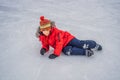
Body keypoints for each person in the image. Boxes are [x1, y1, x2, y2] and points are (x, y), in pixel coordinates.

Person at [36, 16, 102, 59]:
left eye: (48, 29)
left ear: (50, 28)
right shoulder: (43, 37)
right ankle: (85, 52)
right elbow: (45, 44)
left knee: (79, 44)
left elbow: (59, 43)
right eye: (44, 30)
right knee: (68, 51)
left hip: (68, 39)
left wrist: (56, 54)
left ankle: (94, 45)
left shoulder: (56, 32)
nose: (46, 32)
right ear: (41, 30)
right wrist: (44, 49)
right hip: (63, 47)